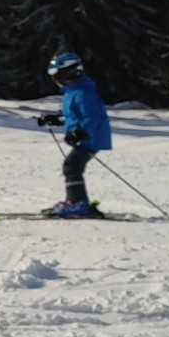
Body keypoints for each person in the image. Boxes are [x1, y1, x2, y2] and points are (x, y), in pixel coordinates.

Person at [35, 52, 111, 217]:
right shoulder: (73, 91)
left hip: (92, 137)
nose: (55, 80)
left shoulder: (84, 92)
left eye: (57, 76)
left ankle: (78, 204)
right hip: (86, 136)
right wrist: (55, 119)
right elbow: (72, 116)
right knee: (72, 166)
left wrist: (80, 133)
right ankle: (76, 202)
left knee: (72, 166)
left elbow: (94, 117)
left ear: (68, 73)